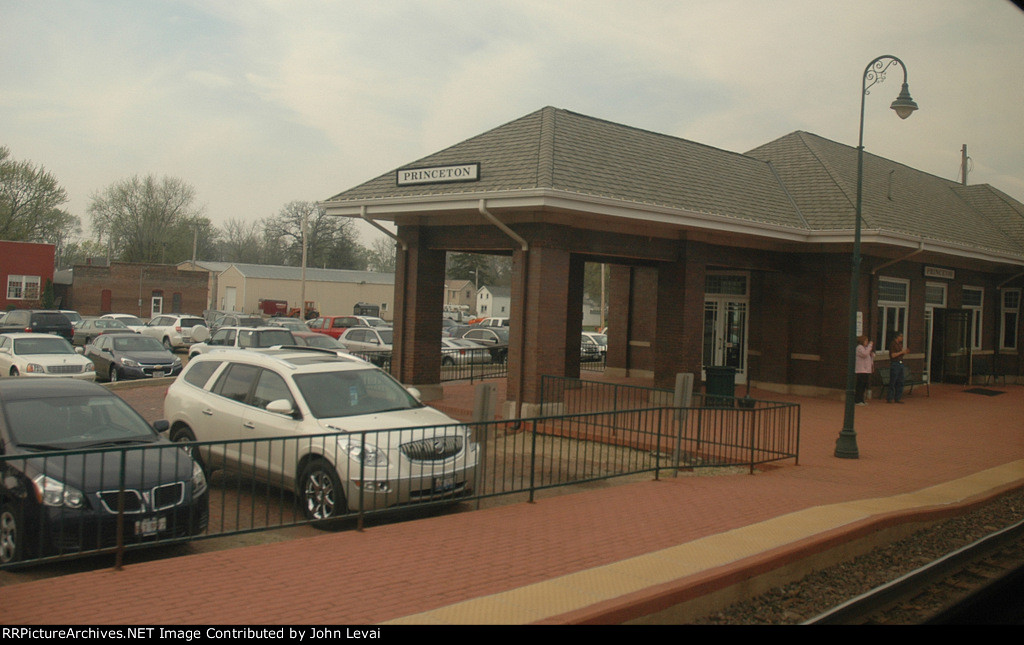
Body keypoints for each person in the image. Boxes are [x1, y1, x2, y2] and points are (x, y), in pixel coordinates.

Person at [887, 332, 909, 403]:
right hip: (895, 364)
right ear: (897, 337)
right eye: (901, 336)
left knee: (900, 381)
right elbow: (893, 355)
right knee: (893, 381)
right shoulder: (893, 344)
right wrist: (901, 352)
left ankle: (898, 398)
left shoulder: (900, 344)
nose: (902, 338)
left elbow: (900, 354)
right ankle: (890, 398)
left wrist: (904, 353)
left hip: (900, 363)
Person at [855, 335, 875, 406]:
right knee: (860, 385)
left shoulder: (865, 348)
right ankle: (857, 400)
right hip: (861, 370)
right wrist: (869, 346)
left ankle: (862, 399)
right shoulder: (859, 348)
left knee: (864, 385)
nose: (867, 342)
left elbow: (869, 357)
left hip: (866, 370)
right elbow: (864, 354)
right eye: (866, 341)